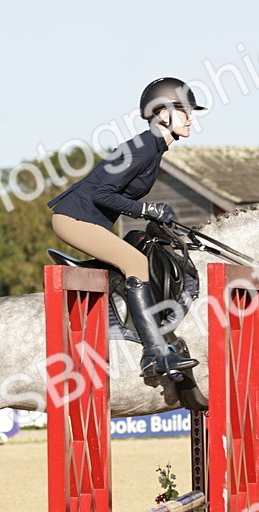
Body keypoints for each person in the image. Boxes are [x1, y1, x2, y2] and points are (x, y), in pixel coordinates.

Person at [48, 77, 206, 379]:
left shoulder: (153, 149)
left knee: (139, 248)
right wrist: (148, 208)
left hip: (86, 219)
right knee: (136, 261)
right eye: (185, 111)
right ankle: (154, 353)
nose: (191, 119)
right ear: (162, 113)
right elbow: (101, 194)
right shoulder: (144, 147)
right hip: (74, 218)